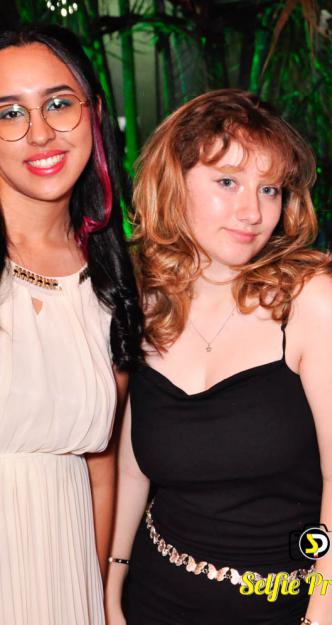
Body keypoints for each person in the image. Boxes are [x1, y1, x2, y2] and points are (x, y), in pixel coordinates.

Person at [105, 89, 332, 625]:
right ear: (173, 183)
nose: (253, 212)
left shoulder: (313, 305)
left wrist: (320, 618)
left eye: (269, 189)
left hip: (282, 604)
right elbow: (132, 469)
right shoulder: (146, 300)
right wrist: (111, 587)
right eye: (227, 182)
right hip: (155, 596)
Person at [0, 24, 143, 625]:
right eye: (9, 113)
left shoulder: (112, 277)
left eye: (59, 104)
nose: (39, 133)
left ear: (95, 113)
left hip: (66, 575)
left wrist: (99, 595)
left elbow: (99, 465)